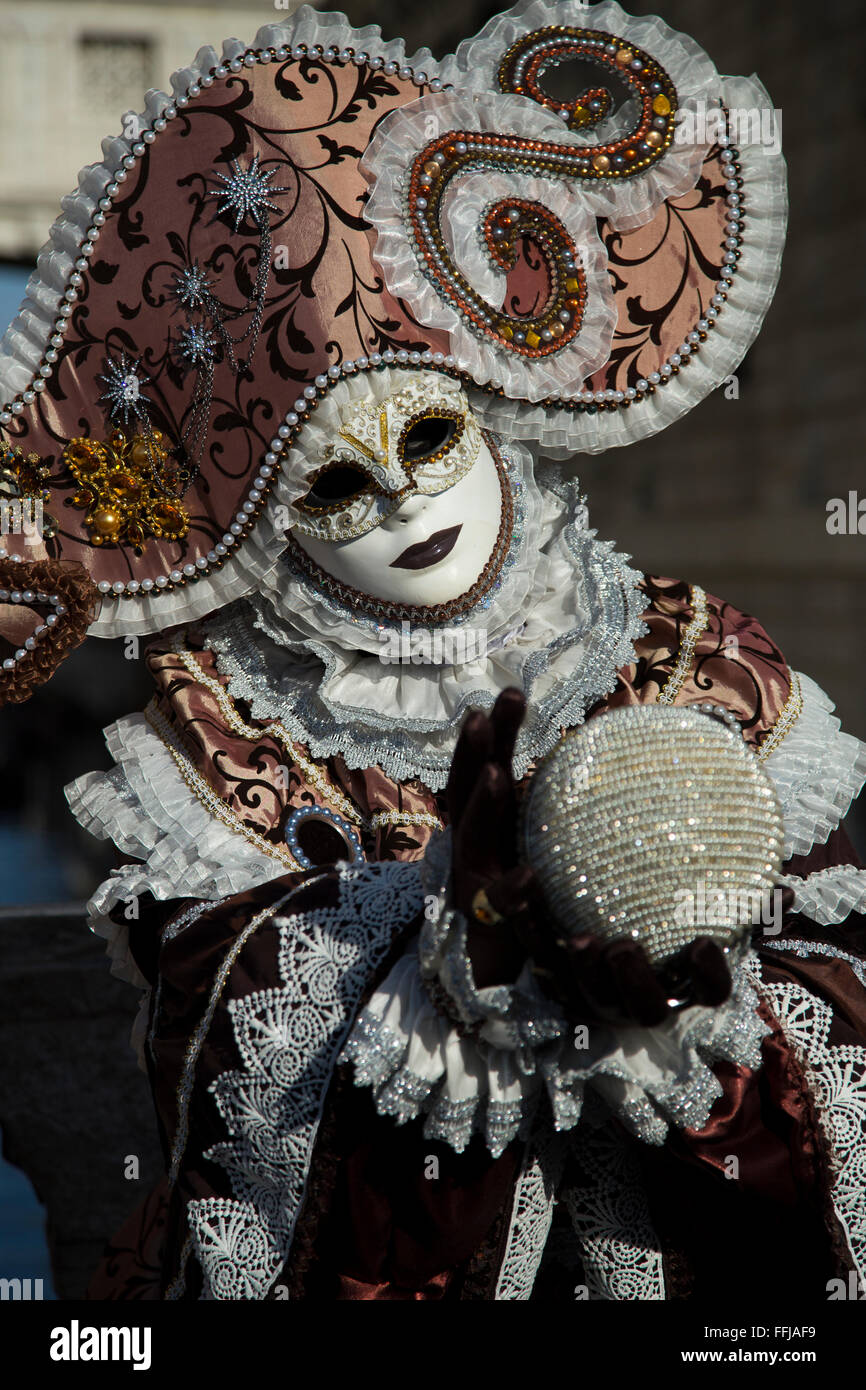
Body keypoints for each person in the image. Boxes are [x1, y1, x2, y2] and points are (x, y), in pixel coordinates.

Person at [1, 1, 864, 1299]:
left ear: (495, 422)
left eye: (427, 441)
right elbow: (227, 1044)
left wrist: (687, 995)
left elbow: (844, 975)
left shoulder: (699, 658)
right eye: (334, 486)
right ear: (268, 525)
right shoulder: (223, 740)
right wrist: (447, 958)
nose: (401, 504)